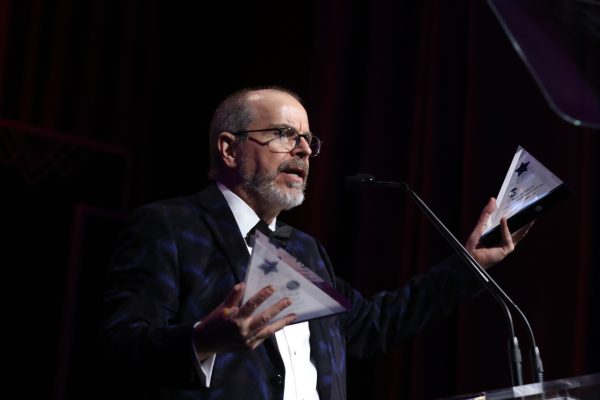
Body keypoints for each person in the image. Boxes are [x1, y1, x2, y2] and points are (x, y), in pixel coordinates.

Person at [100, 86, 531, 400]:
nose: (304, 150)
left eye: (308, 140)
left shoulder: (304, 251)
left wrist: (469, 266)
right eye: (285, 134)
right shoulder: (170, 227)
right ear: (229, 149)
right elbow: (120, 349)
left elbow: (372, 327)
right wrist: (203, 339)